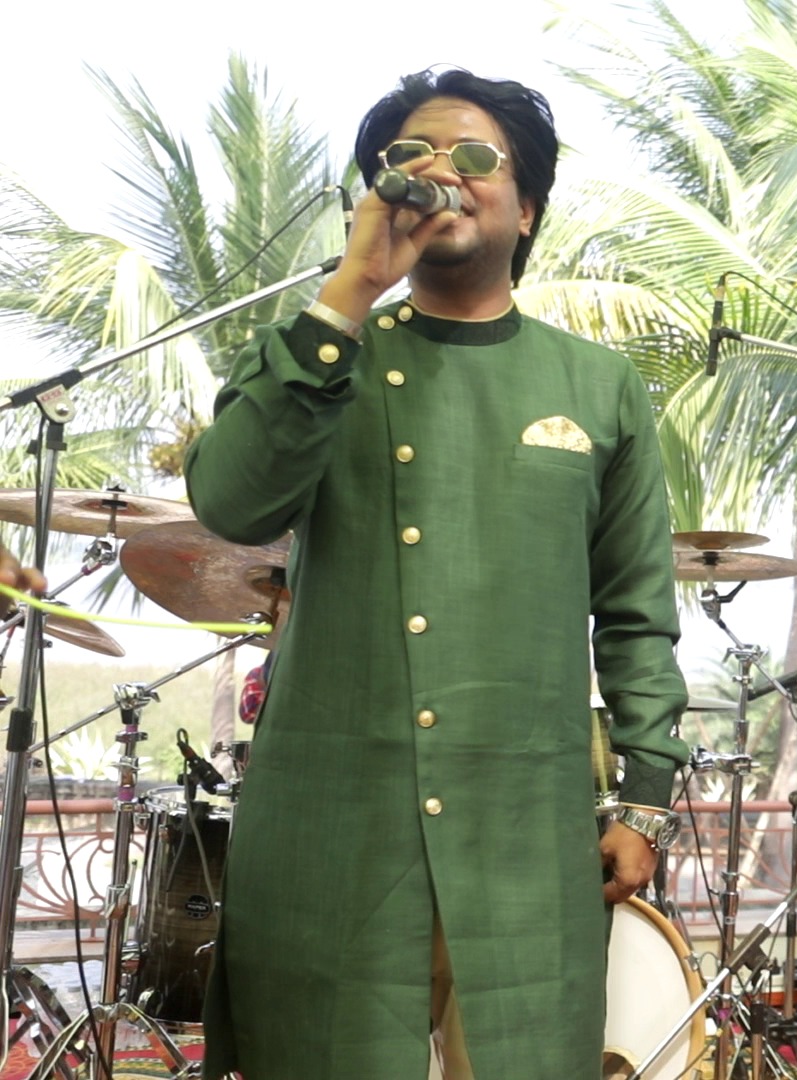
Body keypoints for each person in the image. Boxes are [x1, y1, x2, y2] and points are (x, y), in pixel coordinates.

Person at [183, 68, 689, 1079]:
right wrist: (351, 289)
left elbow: (637, 612)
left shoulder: (599, 386)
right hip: (338, 821)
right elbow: (232, 505)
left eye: (475, 157)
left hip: (526, 826)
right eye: (411, 156)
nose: (441, 173)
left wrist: (643, 799)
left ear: (527, 205)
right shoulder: (318, 353)